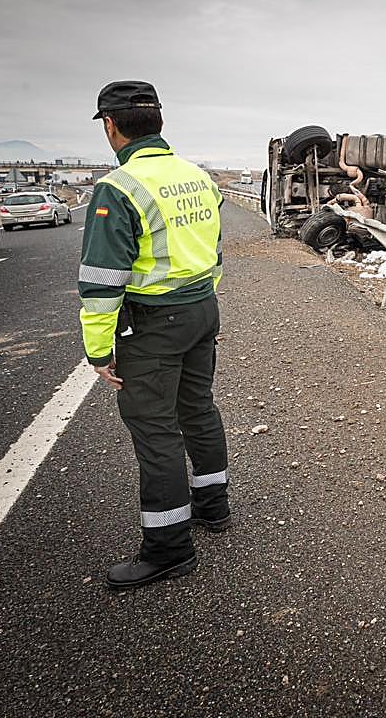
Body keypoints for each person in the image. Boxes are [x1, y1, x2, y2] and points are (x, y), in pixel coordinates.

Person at [78, 80, 231, 589]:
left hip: (155, 324)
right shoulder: (200, 178)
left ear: (110, 125)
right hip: (202, 310)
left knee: (156, 430)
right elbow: (212, 249)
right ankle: (213, 506)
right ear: (159, 123)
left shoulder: (117, 189)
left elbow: (101, 282)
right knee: (198, 410)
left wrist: (100, 351)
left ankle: (169, 547)